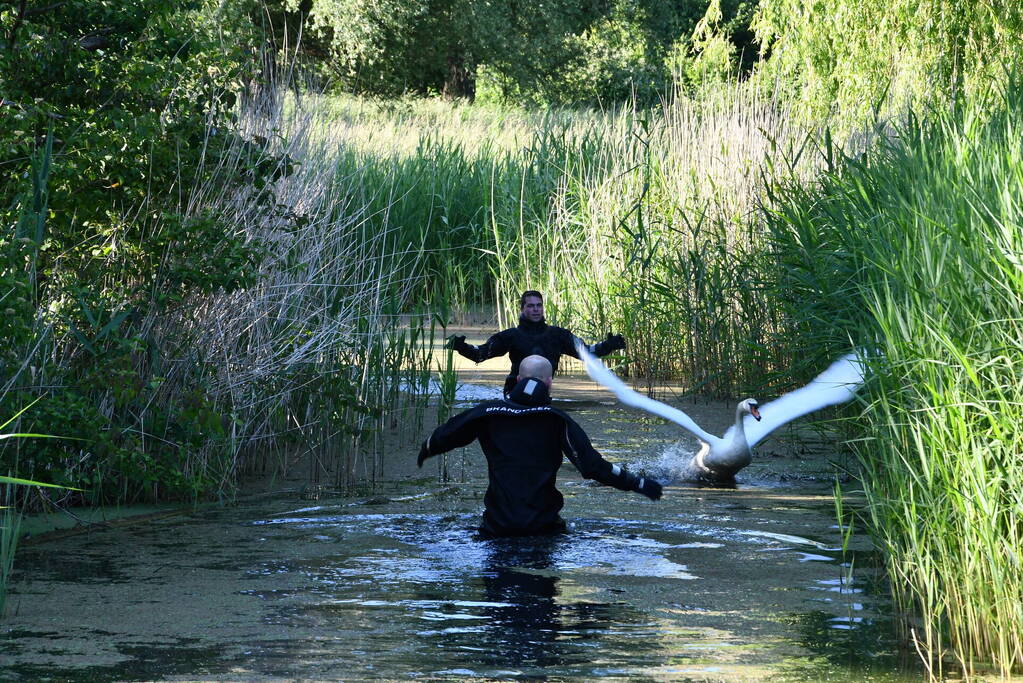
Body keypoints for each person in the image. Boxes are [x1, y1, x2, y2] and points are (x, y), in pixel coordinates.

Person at [417, 355, 663, 538]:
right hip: (543, 529)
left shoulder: (487, 412)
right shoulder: (556, 419)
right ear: (550, 383)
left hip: (496, 528)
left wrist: (426, 450)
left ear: (517, 380)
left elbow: (446, 435)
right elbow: (592, 467)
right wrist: (638, 483)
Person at [445, 290, 626, 395]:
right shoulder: (511, 336)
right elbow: (481, 354)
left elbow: (587, 352)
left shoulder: (558, 335)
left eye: (539, 305)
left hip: (542, 394)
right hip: (514, 393)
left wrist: (608, 345)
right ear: (522, 309)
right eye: (531, 306)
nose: (536, 309)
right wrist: (461, 347)